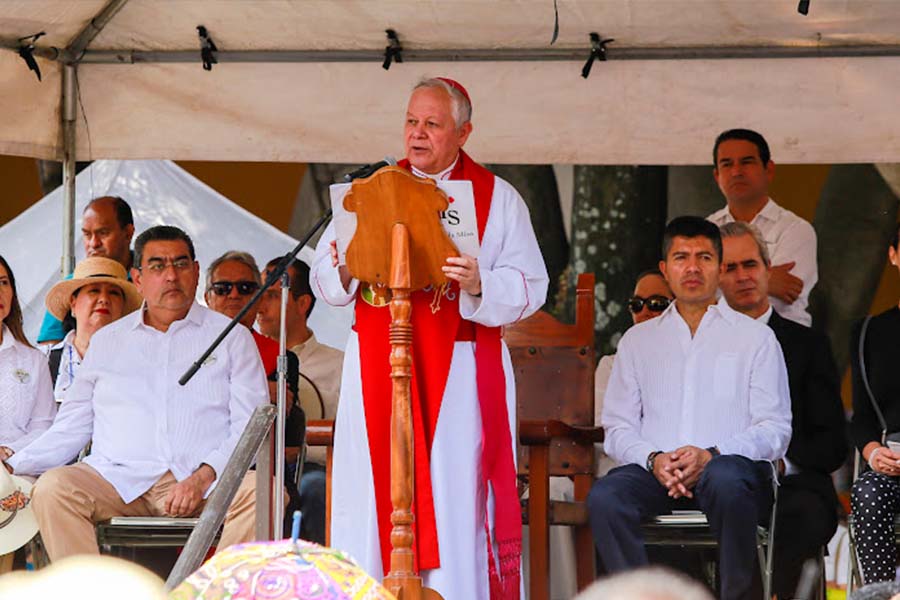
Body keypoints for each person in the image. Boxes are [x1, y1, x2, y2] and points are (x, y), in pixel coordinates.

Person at [312, 77, 548, 597]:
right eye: (411, 121)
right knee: (371, 491)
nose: (417, 134)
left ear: (463, 133)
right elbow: (323, 280)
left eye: (432, 124)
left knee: (451, 492)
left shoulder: (497, 199)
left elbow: (532, 286)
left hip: (460, 366)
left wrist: (481, 281)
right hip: (376, 359)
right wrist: (347, 266)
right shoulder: (368, 191)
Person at [4, 226, 268, 560]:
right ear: (138, 278)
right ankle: (86, 587)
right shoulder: (107, 341)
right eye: (158, 266)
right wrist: (12, 465)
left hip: (205, 482)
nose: (171, 275)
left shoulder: (232, 337)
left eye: (180, 264)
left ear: (196, 271)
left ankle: (219, 587)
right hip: (119, 480)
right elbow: (70, 428)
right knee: (54, 489)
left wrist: (203, 477)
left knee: (263, 492)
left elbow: (250, 428)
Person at [588, 216, 791, 600]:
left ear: (719, 267)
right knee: (606, 497)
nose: (693, 268)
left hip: (730, 470)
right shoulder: (637, 341)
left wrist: (711, 454)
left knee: (726, 479)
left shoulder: (756, 339)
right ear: (665, 269)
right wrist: (654, 460)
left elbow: (775, 429)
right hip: (657, 471)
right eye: (681, 257)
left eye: (704, 257)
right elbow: (617, 428)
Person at [718, 221, 847, 598]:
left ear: (767, 268)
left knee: (800, 515)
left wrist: (781, 458)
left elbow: (832, 446)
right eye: (730, 268)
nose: (743, 276)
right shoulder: (701, 346)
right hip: (720, 482)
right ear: (715, 279)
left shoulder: (808, 346)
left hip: (794, 487)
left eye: (750, 264)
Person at [203, 250, 305, 538]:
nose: (234, 295)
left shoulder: (282, 357)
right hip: (188, 465)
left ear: (259, 299)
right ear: (208, 297)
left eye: (246, 288)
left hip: (256, 468)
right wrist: (255, 392)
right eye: (223, 288)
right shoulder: (186, 349)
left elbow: (279, 421)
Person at [257, 255, 344, 545]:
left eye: (271, 295)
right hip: (258, 468)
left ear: (303, 303)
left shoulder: (340, 364)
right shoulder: (245, 357)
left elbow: (350, 438)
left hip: (312, 470)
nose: (259, 305)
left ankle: (326, 567)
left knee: (315, 487)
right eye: (258, 293)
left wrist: (300, 450)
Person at [707, 129, 817, 326]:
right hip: (720, 336)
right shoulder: (706, 231)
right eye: (727, 164)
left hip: (783, 336)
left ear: (769, 169)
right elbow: (693, 296)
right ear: (716, 176)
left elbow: (786, 293)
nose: (736, 172)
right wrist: (766, 282)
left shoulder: (796, 230)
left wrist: (715, 282)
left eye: (747, 162)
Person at [849, 223, 900, 584]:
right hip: (891, 461)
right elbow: (861, 417)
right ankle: (880, 593)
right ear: (893, 255)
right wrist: (872, 452)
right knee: (867, 492)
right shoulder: (870, 332)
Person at [0, 255, 56, 572]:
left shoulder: (33, 360)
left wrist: (9, 453)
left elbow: (45, 427)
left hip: (17, 471)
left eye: (3, 283)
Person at [37, 196, 136, 345]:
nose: (93, 243)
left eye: (103, 233)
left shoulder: (152, 279)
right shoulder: (70, 286)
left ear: (128, 233)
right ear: (73, 302)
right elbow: (49, 351)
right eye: (87, 234)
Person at [44, 256, 142, 397]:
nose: (104, 299)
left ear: (123, 308)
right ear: (73, 303)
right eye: (94, 291)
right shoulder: (44, 360)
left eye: (113, 293)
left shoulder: (138, 360)